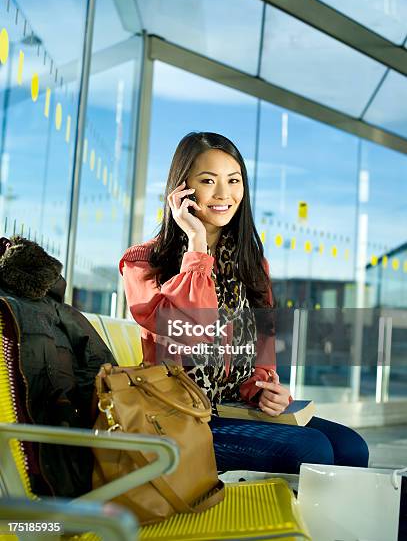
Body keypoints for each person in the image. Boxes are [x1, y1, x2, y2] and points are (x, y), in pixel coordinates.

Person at [120, 132, 369, 473]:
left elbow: (261, 347)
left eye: (233, 180)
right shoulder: (144, 262)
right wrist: (196, 246)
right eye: (208, 181)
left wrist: (265, 389)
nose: (224, 194)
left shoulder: (250, 264)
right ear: (182, 190)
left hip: (237, 409)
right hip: (181, 416)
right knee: (312, 450)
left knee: (352, 448)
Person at [0, 235, 117, 496]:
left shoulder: (44, 308)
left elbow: (100, 371)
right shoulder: (53, 308)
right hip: (78, 469)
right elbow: (104, 371)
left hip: (64, 467)